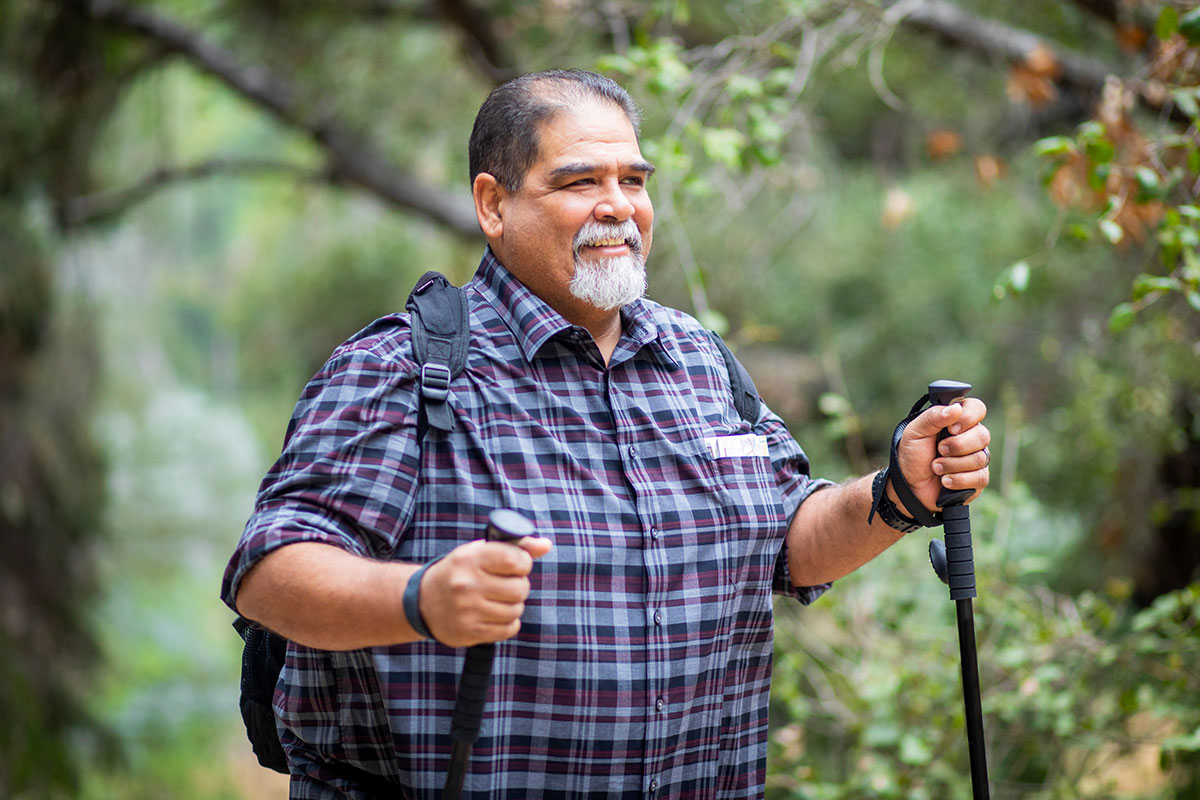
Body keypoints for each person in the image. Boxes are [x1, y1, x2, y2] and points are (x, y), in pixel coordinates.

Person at [221, 69, 990, 798]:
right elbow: (268, 573)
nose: (619, 205)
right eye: (580, 181)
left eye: (634, 180)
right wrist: (420, 597)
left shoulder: (696, 359)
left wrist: (898, 492)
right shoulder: (407, 368)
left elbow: (786, 541)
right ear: (493, 204)